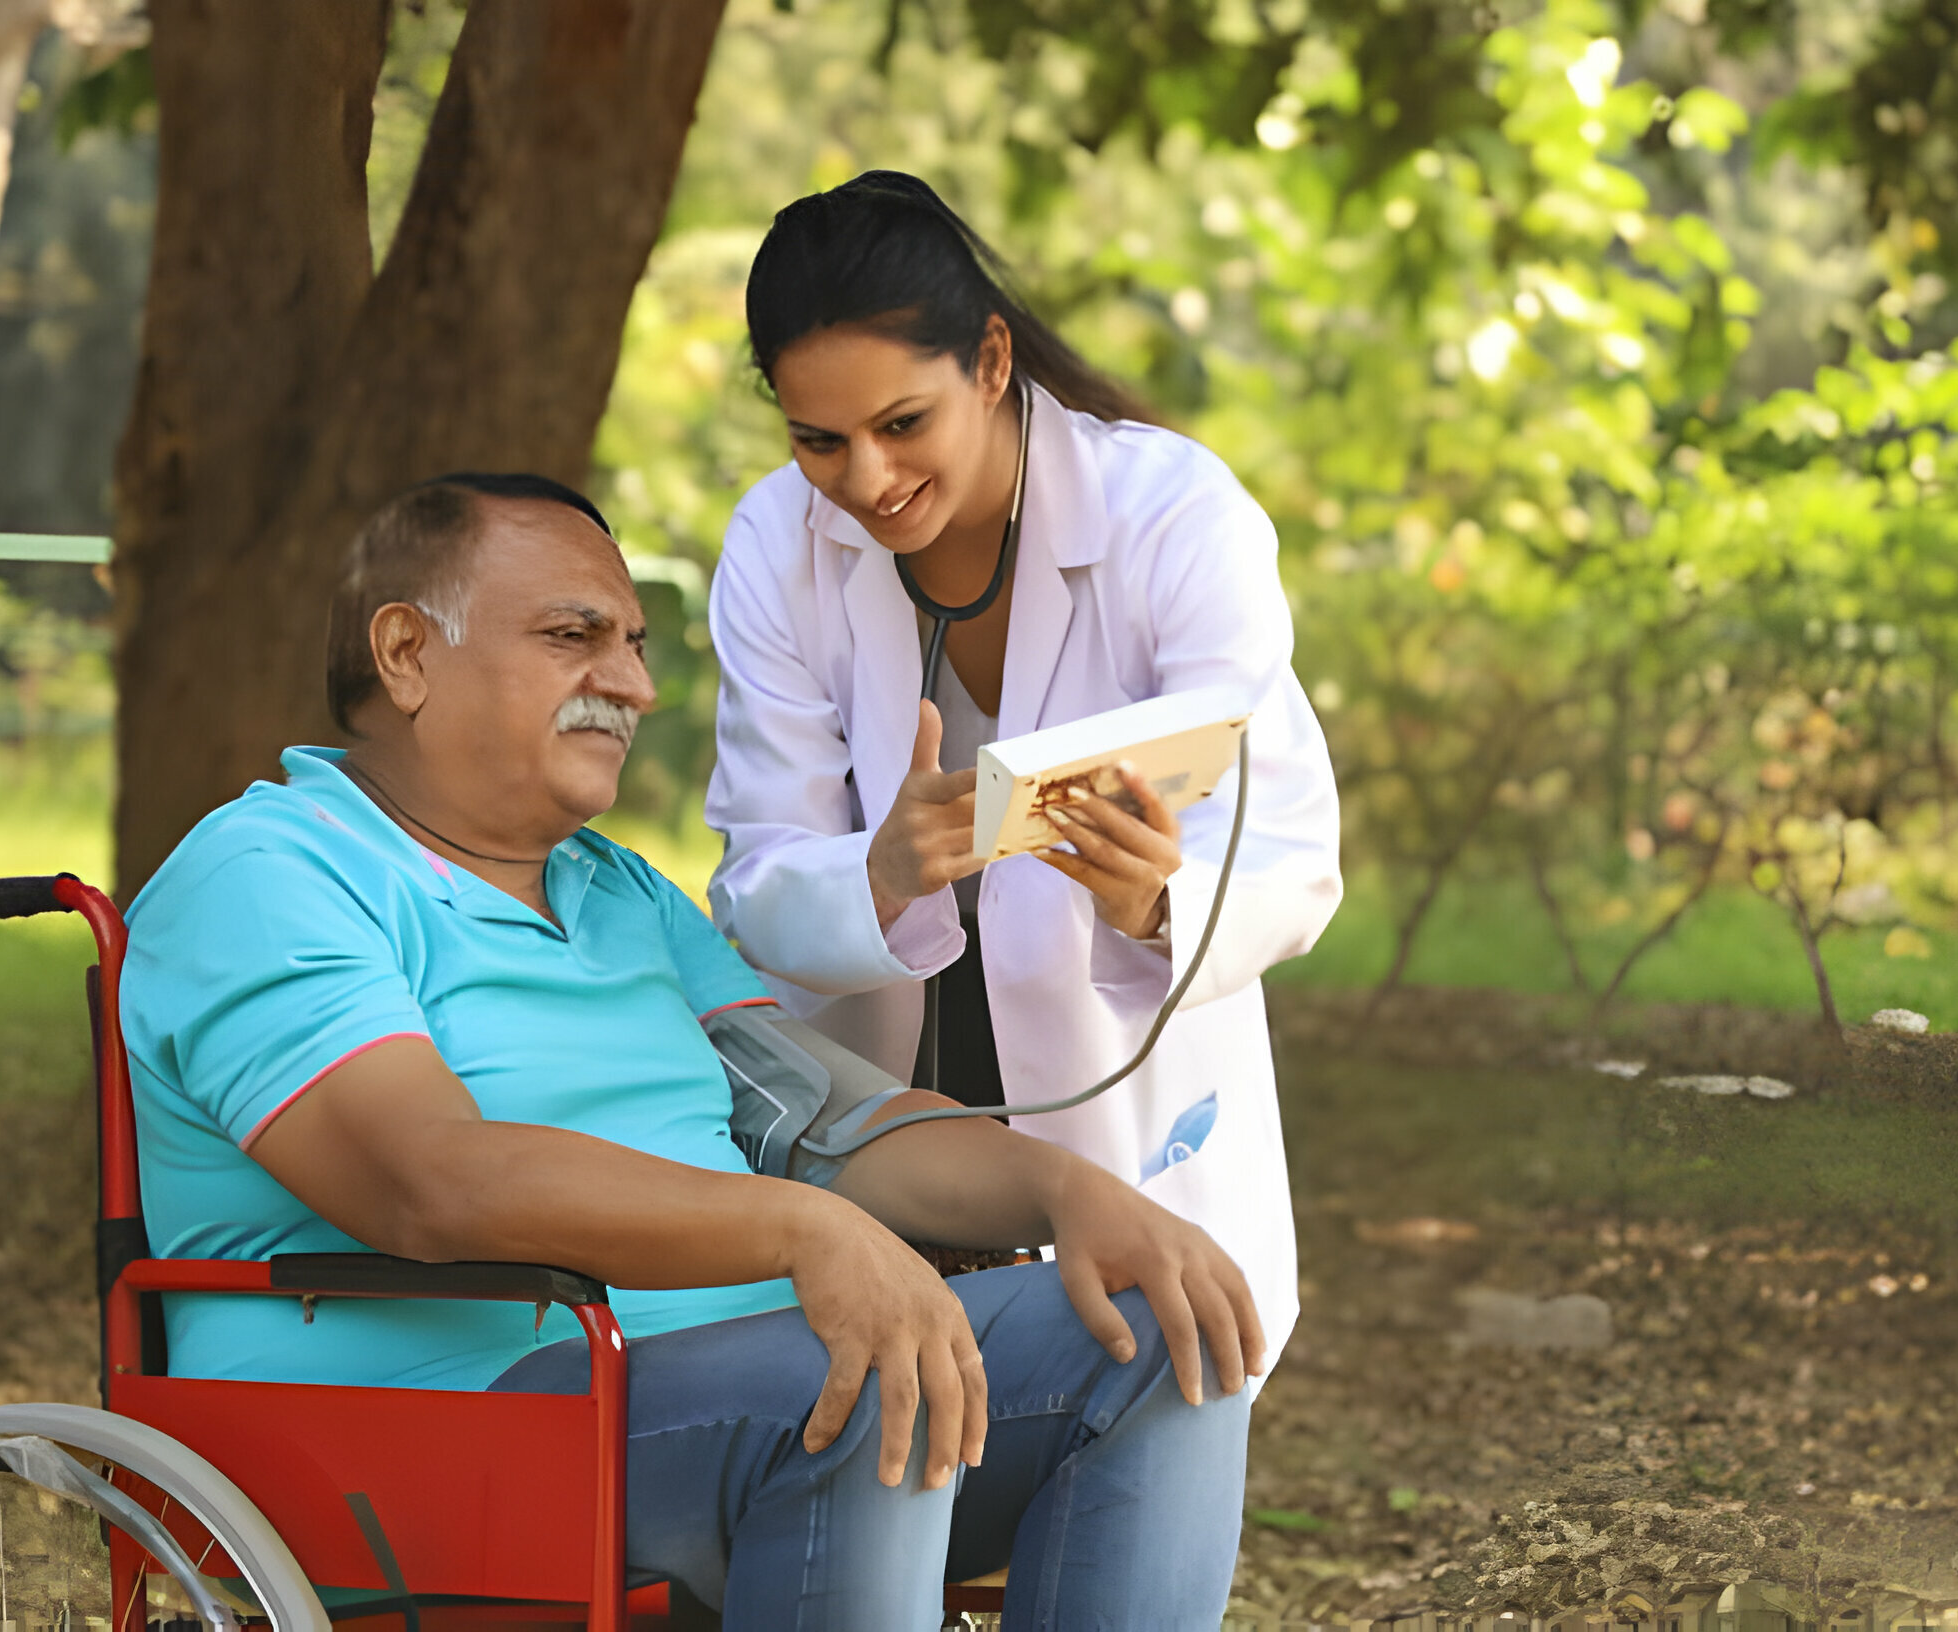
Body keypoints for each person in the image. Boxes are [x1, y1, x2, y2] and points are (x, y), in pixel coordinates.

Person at [119, 474, 1264, 1629]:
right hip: (414, 1428)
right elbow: (429, 1179)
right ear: (408, 654)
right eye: (575, 636)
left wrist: (1075, 1196)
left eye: (634, 645)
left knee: (1165, 1324)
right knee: (860, 1375)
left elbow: (824, 1127)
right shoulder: (271, 872)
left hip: (707, 1397)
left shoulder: (615, 890)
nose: (633, 684)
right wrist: (803, 1233)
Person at [707, 172, 1343, 1368]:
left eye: (903, 425)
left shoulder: (1171, 516)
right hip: (875, 1105)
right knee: (882, 1451)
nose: (866, 482)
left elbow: (1291, 848)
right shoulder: (774, 547)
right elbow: (756, 876)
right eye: (817, 440)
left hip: (1114, 1088)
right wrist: (879, 872)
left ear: (991, 362)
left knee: (1125, 1422)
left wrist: (1158, 900)